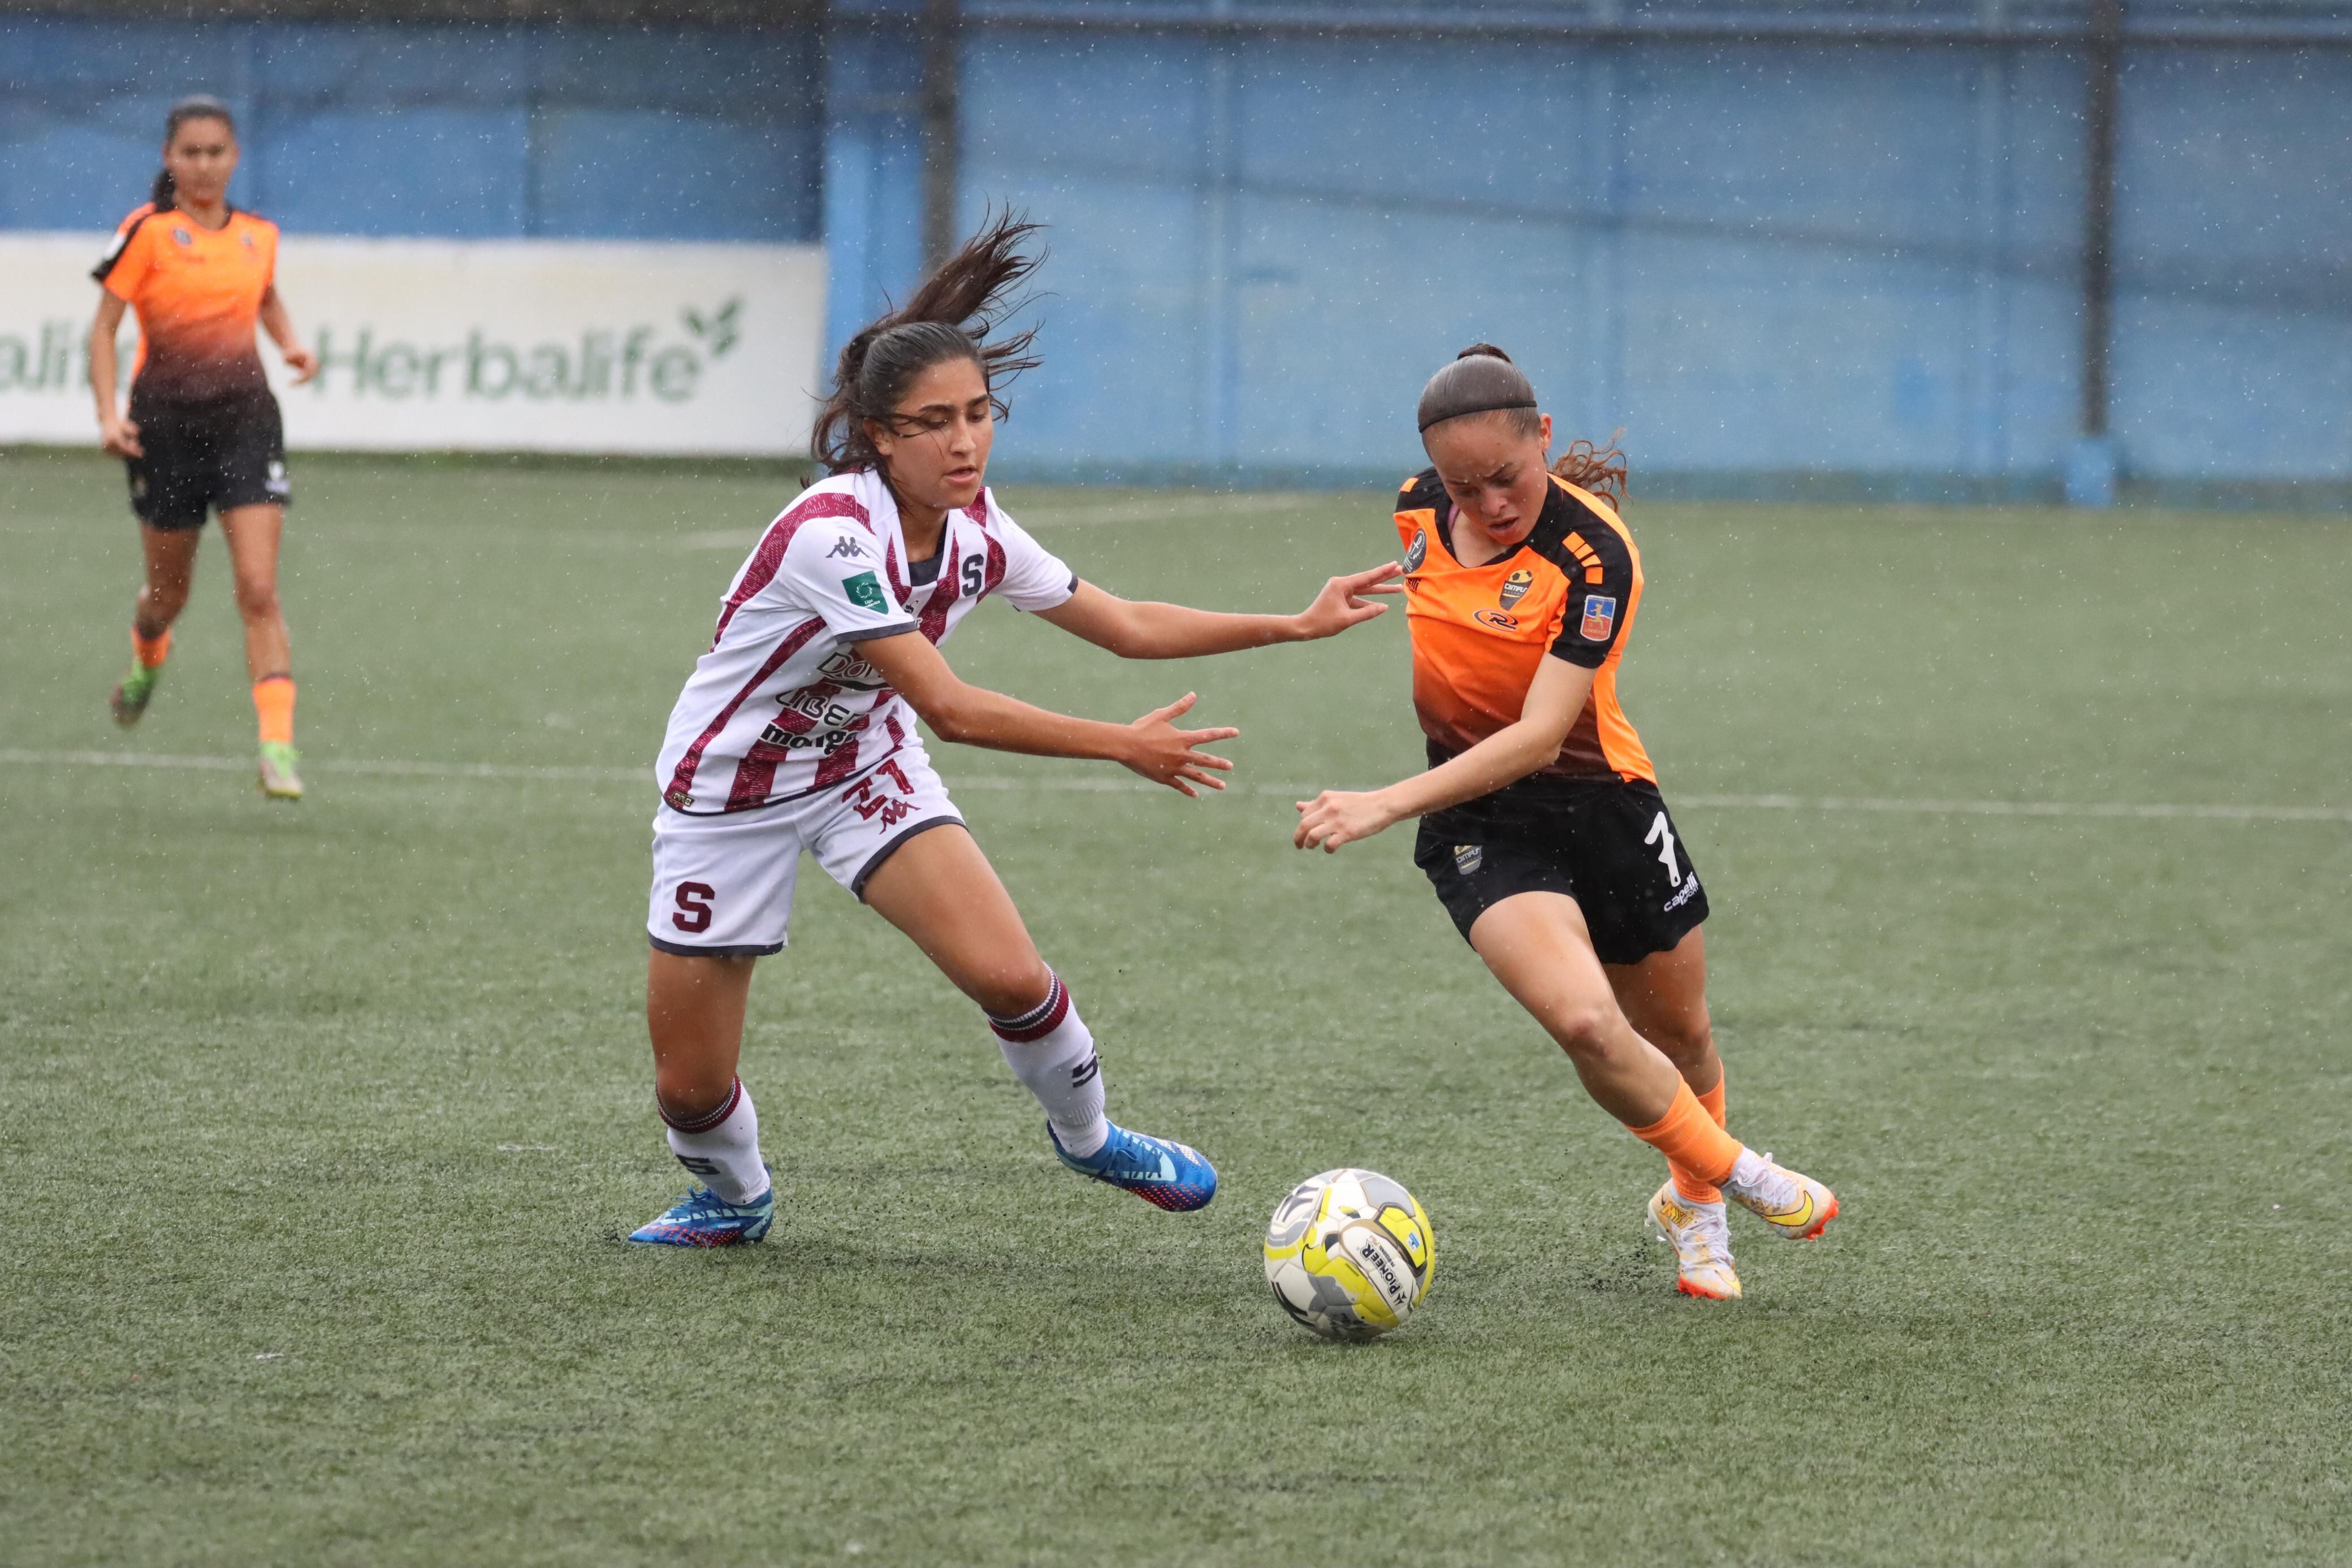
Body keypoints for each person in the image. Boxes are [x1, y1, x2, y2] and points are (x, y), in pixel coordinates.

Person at [629, 214, 1403, 1246]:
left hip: (861, 767)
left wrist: (1293, 623)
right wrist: (1119, 743)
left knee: (1010, 976)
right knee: (689, 1084)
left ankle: (1090, 1137)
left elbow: (1122, 623)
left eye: (980, 413)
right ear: (879, 435)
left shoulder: (976, 528)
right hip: (730, 794)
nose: (965, 440)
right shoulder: (831, 535)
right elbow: (948, 705)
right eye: (935, 421)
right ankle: (732, 1198)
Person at [1292, 345, 1837, 1300]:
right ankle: (1735, 1183)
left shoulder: (1595, 553)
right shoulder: (1417, 509)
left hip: (1605, 799)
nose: (1487, 503)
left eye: (1504, 477)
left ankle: (1687, 1200)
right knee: (1586, 1019)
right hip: (1481, 817)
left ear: (1542, 438)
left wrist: (1381, 799)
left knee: (1683, 1034)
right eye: (1466, 487)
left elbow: (1543, 734)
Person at [89, 96, 317, 800]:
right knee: (168, 595)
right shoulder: (148, 233)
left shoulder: (258, 234)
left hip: (247, 425)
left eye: (216, 151)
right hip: (164, 431)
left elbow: (266, 296)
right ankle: (146, 661)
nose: (204, 165)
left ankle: (277, 748)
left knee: (257, 587)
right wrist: (107, 413)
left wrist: (290, 344)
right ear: (169, 158)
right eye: (190, 152)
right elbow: (103, 330)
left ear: (235, 156)